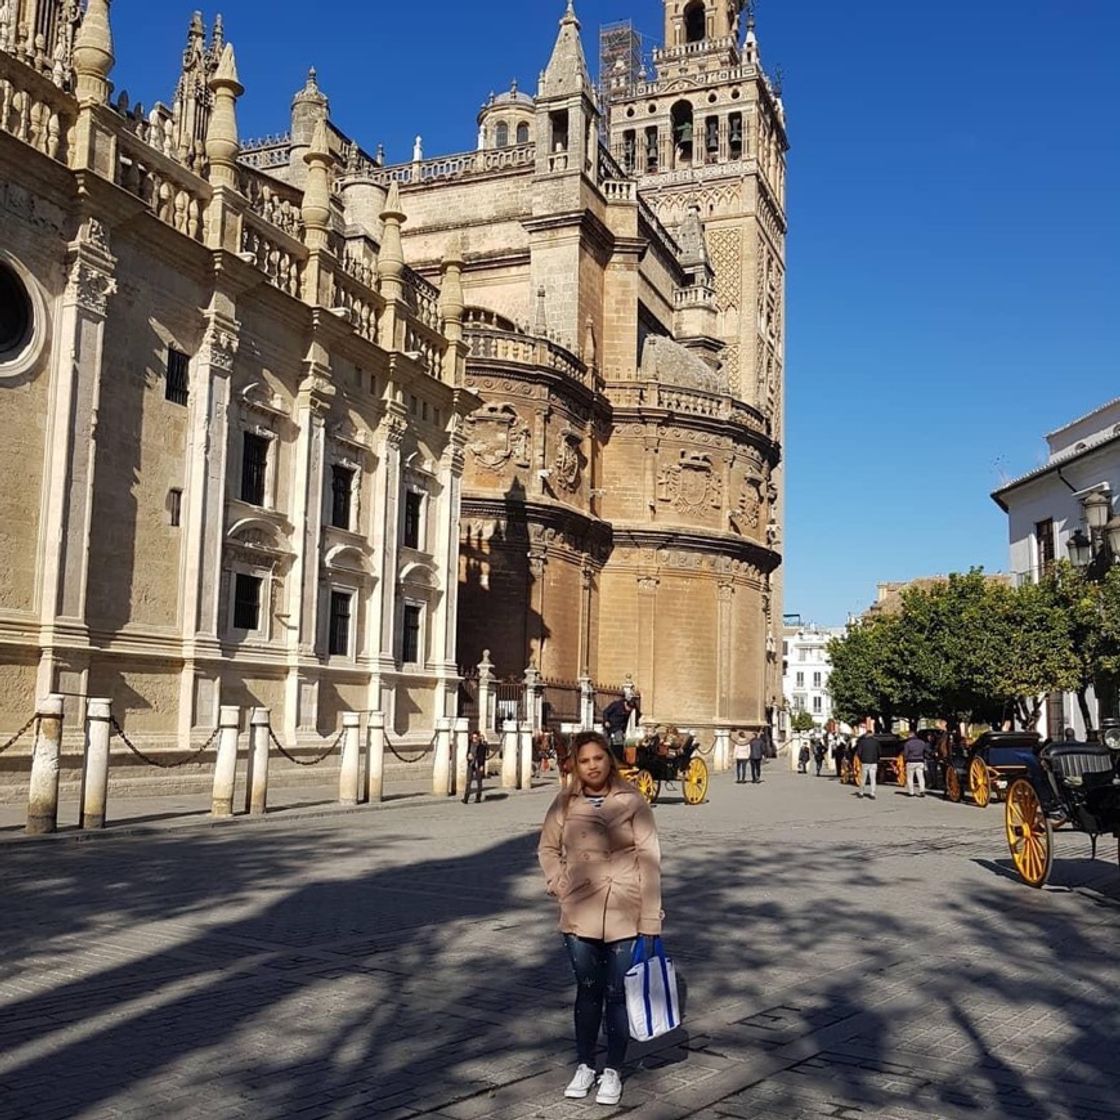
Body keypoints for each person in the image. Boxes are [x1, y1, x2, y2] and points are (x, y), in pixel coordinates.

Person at [538, 731, 663, 1107]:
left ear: (609, 759)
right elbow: (547, 847)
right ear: (576, 766)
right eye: (584, 760)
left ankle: (613, 1068)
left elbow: (650, 860)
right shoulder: (564, 802)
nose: (592, 766)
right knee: (588, 991)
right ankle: (584, 1063)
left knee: (617, 994)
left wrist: (650, 920)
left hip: (625, 907)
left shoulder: (632, 801)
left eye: (598, 758)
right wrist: (559, 884)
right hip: (580, 909)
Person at [463, 731, 488, 805]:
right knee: (468, 781)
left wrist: (482, 766)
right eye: (473, 737)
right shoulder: (470, 744)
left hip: (478, 764)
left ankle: (478, 797)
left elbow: (482, 757)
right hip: (471, 764)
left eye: (475, 738)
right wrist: (468, 756)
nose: (474, 739)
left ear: (478, 738)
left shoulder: (482, 746)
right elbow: (467, 753)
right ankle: (466, 798)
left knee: (479, 781)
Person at [856, 728, 880, 799]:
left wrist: (861, 759)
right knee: (873, 779)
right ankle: (872, 793)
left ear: (866, 734)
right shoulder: (876, 742)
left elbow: (859, 753)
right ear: (872, 734)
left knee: (863, 778)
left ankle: (861, 792)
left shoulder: (862, 742)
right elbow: (879, 752)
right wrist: (876, 759)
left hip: (865, 762)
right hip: (873, 762)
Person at [902, 731, 928, 797]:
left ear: (910, 736)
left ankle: (911, 792)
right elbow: (925, 751)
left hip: (911, 761)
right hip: (920, 761)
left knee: (910, 778)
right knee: (921, 777)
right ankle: (922, 790)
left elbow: (905, 754)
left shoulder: (907, 743)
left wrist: (905, 760)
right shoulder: (922, 742)